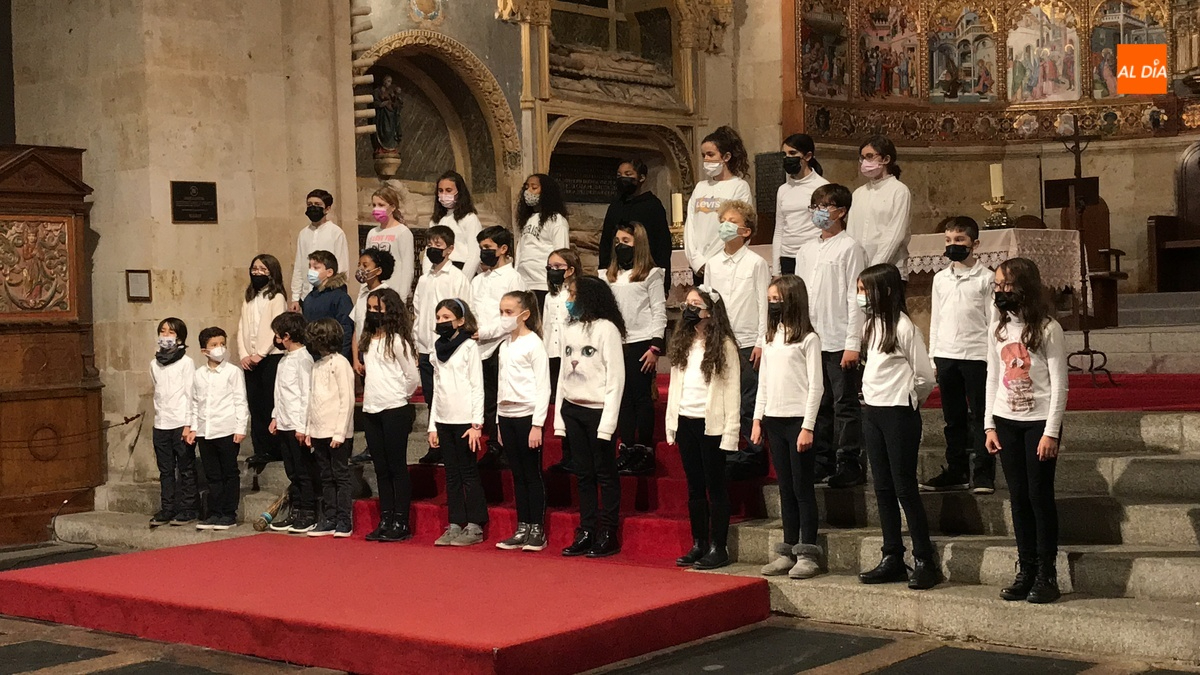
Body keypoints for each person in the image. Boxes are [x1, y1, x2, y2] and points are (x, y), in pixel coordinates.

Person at [985, 258, 1068, 604]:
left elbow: (1060, 385)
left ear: (1026, 288)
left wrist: (1051, 432)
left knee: (1038, 496)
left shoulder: (1048, 329)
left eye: (1008, 286)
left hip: (1038, 423)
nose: (1002, 292)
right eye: (998, 286)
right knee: (1018, 497)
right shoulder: (999, 329)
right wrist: (989, 423)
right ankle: (1027, 568)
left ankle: (1047, 574)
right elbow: (992, 375)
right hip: (1006, 421)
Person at [855, 264, 939, 590]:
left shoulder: (904, 327)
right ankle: (892, 555)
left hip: (899, 413)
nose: (861, 297)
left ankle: (924, 559)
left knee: (904, 487)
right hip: (873, 412)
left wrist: (908, 399)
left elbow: (925, 376)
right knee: (882, 487)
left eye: (865, 290)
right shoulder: (872, 325)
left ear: (885, 291)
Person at [752, 275, 825, 578]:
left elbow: (816, 387)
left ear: (792, 300)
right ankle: (788, 547)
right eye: (769, 300)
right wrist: (758, 419)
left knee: (801, 487)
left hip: (798, 421)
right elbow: (764, 383)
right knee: (784, 488)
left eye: (776, 300)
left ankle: (807, 552)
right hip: (774, 421)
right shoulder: (771, 337)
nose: (772, 305)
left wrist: (807, 426)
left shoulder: (808, 339)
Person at [796, 184, 868, 488]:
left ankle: (849, 462)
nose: (819, 212)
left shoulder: (850, 247)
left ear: (841, 211)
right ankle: (822, 461)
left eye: (825, 206)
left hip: (839, 338)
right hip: (812, 338)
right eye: (815, 206)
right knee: (818, 402)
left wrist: (853, 343)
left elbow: (856, 298)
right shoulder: (806, 249)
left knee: (844, 404)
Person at [664, 286, 741, 570]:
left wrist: (731, 432)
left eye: (695, 304)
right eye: (687, 304)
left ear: (710, 311)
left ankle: (718, 547)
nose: (689, 309)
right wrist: (672, 423)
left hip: (712, 426)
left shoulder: (724, 346)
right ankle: (698, 542)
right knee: (694, 487)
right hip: (686, 420)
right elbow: (675, 387)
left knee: (715, 486)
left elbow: (732, 392)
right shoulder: (682, 342)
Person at [922, 216, 997, 494]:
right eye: (949, 240)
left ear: (974, 243)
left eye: (960, 240)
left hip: (977, 355)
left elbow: (993, 321)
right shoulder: (940, 278)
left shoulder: (987, 279)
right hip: (946, 355)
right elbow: (937, 319)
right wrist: (933, 357)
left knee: (980, 416)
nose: (953, 245)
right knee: (952, 418)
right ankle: (956, 470)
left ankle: (983, 474)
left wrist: (992, 357)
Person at [554, 276, 626, 558]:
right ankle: (586, 529)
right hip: (573, 408)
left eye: (572, 294)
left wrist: (608, 423)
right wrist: (560, 418)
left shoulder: (606, 329)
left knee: (604, 473)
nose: (569, 299)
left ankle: (608, 532)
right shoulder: (570, 328)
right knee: (583, 474)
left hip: (598, 410)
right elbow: (562, 374)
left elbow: (615, 378)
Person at [705, 200, 770, 479]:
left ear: (746, 231)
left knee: (748, 399)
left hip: (746, 340)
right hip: (720, 340)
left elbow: (763, 303)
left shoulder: (756, 263)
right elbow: (709, 301)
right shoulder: (712, 263)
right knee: (723, 398)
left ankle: (754, 454)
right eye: (722, 221)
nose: (725, 226)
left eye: (732, 221)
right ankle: (728, 450)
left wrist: (761, 341)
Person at [603, 221, 667, 477]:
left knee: (641, 397)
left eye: (626, 242)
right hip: (616, 342)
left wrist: (655, 347)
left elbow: (659, 311)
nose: (620, 246)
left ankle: (644, 450)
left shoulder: (650, 274)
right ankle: (627, 447)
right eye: (617, 241)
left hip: (641, 342)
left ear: (638, 244)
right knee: (623, 398)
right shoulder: (609, 275)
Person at [359, 288, 421, 543]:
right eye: (371, 309)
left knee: (396, 467)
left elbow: (412, 377)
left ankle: (400, 520)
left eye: (378, 309)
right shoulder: (367, 340)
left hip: (394, 408)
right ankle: (385, 518)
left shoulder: (396, 340)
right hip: (371, 408)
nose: (374, 314)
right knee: (381, 468)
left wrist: (398, 396)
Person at [494, 290, 552, 552]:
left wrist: (537, 424)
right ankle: (522, 526)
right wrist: (497, 421)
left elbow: (543, 387)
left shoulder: (534, 344)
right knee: (517, 474)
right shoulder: (505, 344)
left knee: (531, 474)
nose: (504, 317)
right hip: (507, 416)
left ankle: (536, 528)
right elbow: (501, 384)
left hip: (527, 416)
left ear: (524, 315)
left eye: (509, 312)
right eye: (501, 312)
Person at [428, 299, 488, 547]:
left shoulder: (468, 347)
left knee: (468, 474)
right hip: (443, 418)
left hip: (465, 421)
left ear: (460, 320)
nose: (441, 321)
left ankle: (474, 526)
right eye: (438, 317)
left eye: (446, 317)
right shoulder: (436, 348)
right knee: (451, 474)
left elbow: (477, 385)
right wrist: (432, 425)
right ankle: (455, 523)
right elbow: (437, 388)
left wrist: (476, 424)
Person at [413, 226, 471, 465]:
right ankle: (435, 445)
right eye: (430, 245)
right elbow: (418, 312)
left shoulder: (457, 278)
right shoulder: (425, 279)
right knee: (430, 398)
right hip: (426, 348)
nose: (433, 250)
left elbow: (465, 310)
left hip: (449, 348)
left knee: (448, 396)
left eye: (438, 246)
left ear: (450, 249)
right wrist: (417, 342)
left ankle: (452, 447)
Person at [471, 225, 527, 469]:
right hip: (477, 346)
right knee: (484, 398)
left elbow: (510, 317)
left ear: (503, 249)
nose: (484, 253)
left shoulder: (513, 278)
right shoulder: (478, 280)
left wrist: (485, 332)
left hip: (500, 344)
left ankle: (500, 445)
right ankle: (490, 443)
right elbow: (472, 308)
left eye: (488, 248)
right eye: (481, 248)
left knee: (499, 396)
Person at [187, 327, 248, 531]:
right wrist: (194, 428)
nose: (219, 348)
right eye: (214, 345)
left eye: (222, 344)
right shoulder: (198, 375)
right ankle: (215, 512)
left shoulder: (233, 372)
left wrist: (241, 427)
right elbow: (195, 403)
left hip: (227, 429)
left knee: (229, 472)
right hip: (206, 431)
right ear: (204, 350)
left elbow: (240, 401)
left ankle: (229, 513)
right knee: (212, 474)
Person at [303, 318, 357, 538]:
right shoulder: (317, 365)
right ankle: (330, 518)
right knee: (326, 476)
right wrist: (309, 429)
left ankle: (344, 520)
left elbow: (348, 399)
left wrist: (340, 432)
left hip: (337, 432)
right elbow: (312, 400)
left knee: (340, 476)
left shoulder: (340, 363)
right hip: (318, 431)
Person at [267, 311, 318, 534]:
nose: (276, 339)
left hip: (297, 424)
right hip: (284, 422)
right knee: (292, 472)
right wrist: (275, 416)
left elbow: (306, 394)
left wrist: (302, 426)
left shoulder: (304, 359)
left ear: (286, 335)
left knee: (303, 471)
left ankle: (308, 513)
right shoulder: (284, 359)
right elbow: (280, 392)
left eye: (278, 335)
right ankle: (295, 511)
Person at [684, 126, 753, 283]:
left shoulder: (739, 187)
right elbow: (691, 226)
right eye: (703, 155)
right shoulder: (701, 187)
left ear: (726, 157)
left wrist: (715, 260)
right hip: (698, 264)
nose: (706, 159)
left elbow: (736, 227)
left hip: (724, 263)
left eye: (710, 154)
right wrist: (696, 260)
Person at [238, 254, 287, 467]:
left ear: (272, 272)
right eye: (254, 268)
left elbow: (275, 327)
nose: (257, 272)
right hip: (250, 359)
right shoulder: (249, 297)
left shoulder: (276, 297)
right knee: (255, 404)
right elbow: (241, 327)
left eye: (262, 269)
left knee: (270, 403)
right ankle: (260, 449)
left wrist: (261, 353)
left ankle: (275, 450)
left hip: (270, 357)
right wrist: (243, 354)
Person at [150, 317, 198, 528]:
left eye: (171, 332)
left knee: (186, 468)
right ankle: (167, 507)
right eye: (163, 331)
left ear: (180, 337)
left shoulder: (186, 363)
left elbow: (191, 394)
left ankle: (188, 508)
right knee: (166, 470)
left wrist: (189, 424)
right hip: (161, 423)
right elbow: (157, 391)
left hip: (181, 422)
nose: (166, 336)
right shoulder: (154, 364)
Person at [349, 248, 394, 466]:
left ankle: (383, 443)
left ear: (378, 270)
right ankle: (371, 444)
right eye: (360, 264)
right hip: (364, 355)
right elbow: (357, 327)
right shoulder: (362, 294)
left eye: (365, 265)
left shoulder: (386, 294)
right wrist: (356, 358)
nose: (361, 269)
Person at [599, 160, 671, 291]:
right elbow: (606, 241)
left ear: (641, 177)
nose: (622, 178)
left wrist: (663, 283)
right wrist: (603, 270)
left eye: (628, 174)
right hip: (617, 272)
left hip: (645, 271)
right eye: (619, 175)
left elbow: (662, 244)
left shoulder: (652, 205)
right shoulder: (615, 206)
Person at [849, 136, 912, 279]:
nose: (865, 162)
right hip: (860, 271)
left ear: (886, 159)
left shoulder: (899, 190)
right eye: (862, 158)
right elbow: (851, 232)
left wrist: (875, 268)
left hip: (887, 270)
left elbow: (896, 234)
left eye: (870, 156)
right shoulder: (859, 193)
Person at [544, 247, 582, 473]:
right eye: (550, 267)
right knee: (561, 407)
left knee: (572, 402)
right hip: (553, 354)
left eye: (558, 267)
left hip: (573, 355)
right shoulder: (551, 297)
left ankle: (578, 454)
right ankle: (567, 454)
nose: (553, 271)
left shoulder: (578, 293)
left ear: (570, 270)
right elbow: (547, 327)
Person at [774, 134, 829, 276]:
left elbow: (825, 227)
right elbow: (779, 228)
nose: (787, 158)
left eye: (792, 153)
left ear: (808, 156)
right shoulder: (783, 189)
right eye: (784, 154)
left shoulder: (822, 187)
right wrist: (776, 268)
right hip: (787, 256)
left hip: (812, 254)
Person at [515, 173, 570, 307]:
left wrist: (557, 280)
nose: (528, 192)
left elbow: (561, 253)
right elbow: (520, 250)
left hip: (543, 283)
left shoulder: (556, 220)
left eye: (534, 188)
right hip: (524, 282)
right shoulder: (527, 219)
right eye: (526, 188)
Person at [291, 189, 349, 312]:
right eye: (310, 204)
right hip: (307, 295)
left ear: (327, 209)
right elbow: (299, 266)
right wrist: (295, 297)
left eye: (317, 205)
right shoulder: (303, 233)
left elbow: (342, 265)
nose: (313, 208)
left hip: (329, 294)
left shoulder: (336, 232)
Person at [426, 171, 482, 279]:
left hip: (460, 269)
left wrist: (463, 280)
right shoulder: (435, 220)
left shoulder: (469, 218)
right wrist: (427, 276)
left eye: (449, 190)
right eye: (440, 191)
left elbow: (474, 254)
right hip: (437, 270)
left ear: (459, 192)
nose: (444, 194)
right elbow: (428, 251)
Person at [302, 250, 355, 360]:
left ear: (329, 272)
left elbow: (346, 329)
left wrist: (341, 358)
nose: (311, 271)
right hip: (313, 356)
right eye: (310, 267)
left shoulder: (340, 297)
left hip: (333, 357)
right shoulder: (310, 297)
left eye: (316, 268)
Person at [364, 186, 414, 299]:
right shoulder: (372, 233)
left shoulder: (402, 232)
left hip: (393, 291)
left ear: (392, 207)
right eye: (374, 205)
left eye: (381, 205)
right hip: (374, 292)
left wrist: (402, 296)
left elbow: (407, 267)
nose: (376, 209)